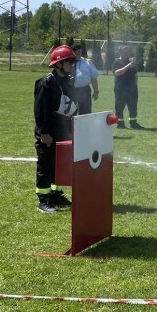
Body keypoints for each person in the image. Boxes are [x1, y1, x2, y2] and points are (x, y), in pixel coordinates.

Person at [34, 45, 78, 213]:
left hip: (63, 130)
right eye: (69, 62)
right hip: (49, 132)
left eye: (73, 62)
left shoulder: (68, 81)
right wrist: (44, 132)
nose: (72, 65)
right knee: (46, 166)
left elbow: (73, 104)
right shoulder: (46, 82)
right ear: (59, 64)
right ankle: (44, 200)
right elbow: (40, 109)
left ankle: (56, 194)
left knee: (61, 165)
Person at [113, 45, 142, 129]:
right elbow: (117, 73)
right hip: (121, 89)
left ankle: (133, 122)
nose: (127, 53)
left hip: (132, 89)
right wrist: (128, 66)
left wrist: (135, 85)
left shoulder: (132, 63)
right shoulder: (117, 62)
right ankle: (120, 123)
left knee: (133, 107)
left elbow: (135, 74)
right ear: (120, 52)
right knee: (119, 107)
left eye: (128, 52)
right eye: (125, 52)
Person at [71, 42, 100, 115]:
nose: (79, 53)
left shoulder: (88, 62)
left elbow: (94, 78)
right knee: (70, 112)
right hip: (71, 90)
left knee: (85, 113)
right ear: (72, 52)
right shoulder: (67, 63)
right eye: (76, 52)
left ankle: (84, 126)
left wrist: (96, 91)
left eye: (80, 52)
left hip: (84, 90)